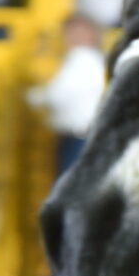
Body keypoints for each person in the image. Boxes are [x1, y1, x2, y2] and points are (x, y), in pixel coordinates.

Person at [30, 15, 105, 178]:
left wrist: (35, 97)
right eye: (69, 31)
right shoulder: (94, 59)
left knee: (69, 180)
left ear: (91, 34)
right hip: (85, 133)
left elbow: (58, 94)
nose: (70, 36)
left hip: (78, 135)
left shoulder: (81, 58)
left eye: (77, 32)